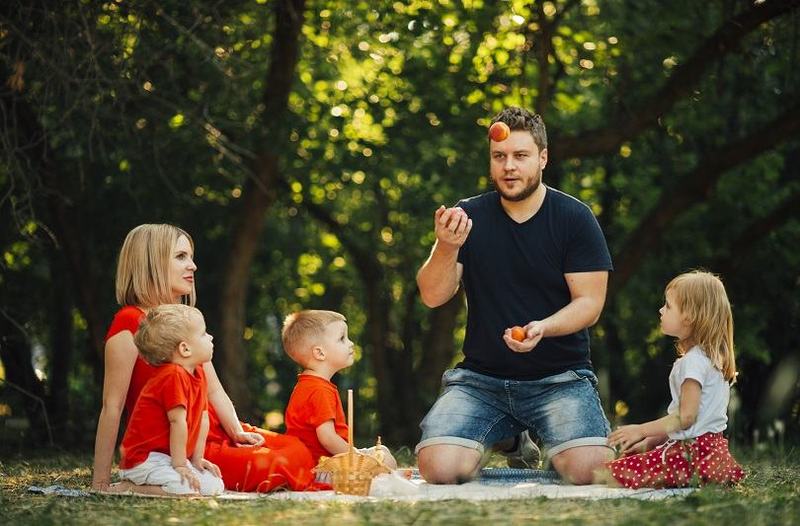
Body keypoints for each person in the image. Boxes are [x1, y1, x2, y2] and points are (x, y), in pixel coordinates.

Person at [415, 106, 614, 485]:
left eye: (520, 156)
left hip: (561, 379)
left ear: (542, 158)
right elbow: (433, 296)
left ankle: (559, 446)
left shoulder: (574, 218)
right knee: (438, 469)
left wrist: (543, 328)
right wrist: (445, 247)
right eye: (499, 157)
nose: (509, 166)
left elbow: (590, 304)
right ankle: (510, 438)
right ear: (490, 162)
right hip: (481, 381)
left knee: (590, 471)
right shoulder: (467, 216)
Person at [92, 224, 317, 493]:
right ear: (151, 263)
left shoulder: (186, 321)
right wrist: (100, 483)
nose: (193, 266)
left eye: (190, 256)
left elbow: (215, 391)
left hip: (213, 432)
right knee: (279, 464)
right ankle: (133, 485)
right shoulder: (129, 323)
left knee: (296, 449)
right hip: (178, 445)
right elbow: (112, 407)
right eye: (181, 257)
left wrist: (237, 432)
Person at [603, 271, 745, 488]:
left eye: (668, 306)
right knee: (625, 465)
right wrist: (651, 442)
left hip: (689, 457)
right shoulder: (711, 360)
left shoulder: (693, 363)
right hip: (713, 456)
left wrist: (641, 430)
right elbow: (698, 424)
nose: (661, 310)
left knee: (606, 475)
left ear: (689, 317)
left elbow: (686, 417)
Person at [118, 304, 224, 496]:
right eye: (203, 334)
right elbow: (177, 422)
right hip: (145, 459)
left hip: (168, 458)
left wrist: (197, 459)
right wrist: (180, 465)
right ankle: (130, 487)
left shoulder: (198, 372)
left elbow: (203, 418)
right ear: (184, 348)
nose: (210, 337)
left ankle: (169, 479)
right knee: (185, 489)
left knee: (215, 486)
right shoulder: (172, 375)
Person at [282, 310, 397, 468]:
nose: (350, 343)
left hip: (323, 460)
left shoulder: (308, 384)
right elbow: (327, 438)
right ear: (320, 353)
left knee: (382, 450)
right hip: (321, 466)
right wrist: (355, 457)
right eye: (342, 338)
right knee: (387, 462)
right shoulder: (319, 389)